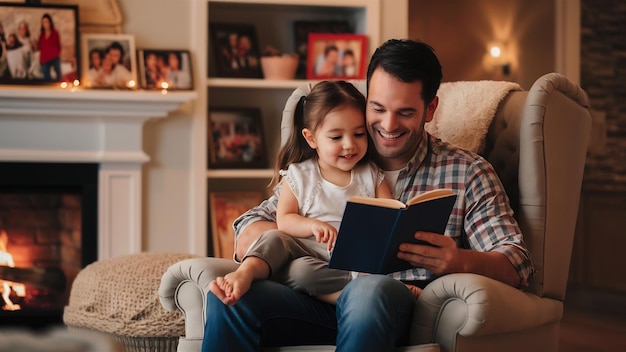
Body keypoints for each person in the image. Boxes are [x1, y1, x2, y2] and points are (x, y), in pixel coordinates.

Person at [202, 39, 534, 351]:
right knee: (225, 298)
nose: (388, 125)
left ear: (430, 109)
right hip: (315, 300)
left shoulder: (468, 172)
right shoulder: (332, 159)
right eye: (377, 108)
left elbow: (517, 263)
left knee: (367, 289)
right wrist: (298, 246)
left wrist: (460, 260)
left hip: (395, 305)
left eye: (405, 112)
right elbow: (249, 227)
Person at [208, 80, 394, 309]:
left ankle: (337, 295)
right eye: (336, 137)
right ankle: (245, 273)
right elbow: (284, 220)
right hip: (309, 249)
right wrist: (312, 226)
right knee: (276, 240)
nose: (349, 145)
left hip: (352, 260)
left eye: (359, 134)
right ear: (311, 138)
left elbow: (390, 216)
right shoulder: (299, 175)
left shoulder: (371, 174)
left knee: (300, 273)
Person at [38, 13, 61, 81]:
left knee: (59, 76)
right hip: (44, 59)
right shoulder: (41, 35)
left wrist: (57, 53)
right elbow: (40, 47)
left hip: (54, 57)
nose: (46, 24)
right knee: (46, 78)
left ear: (50, 22)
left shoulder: (55, 32)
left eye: (47, 21)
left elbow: (58, 45)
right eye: (44, 22)